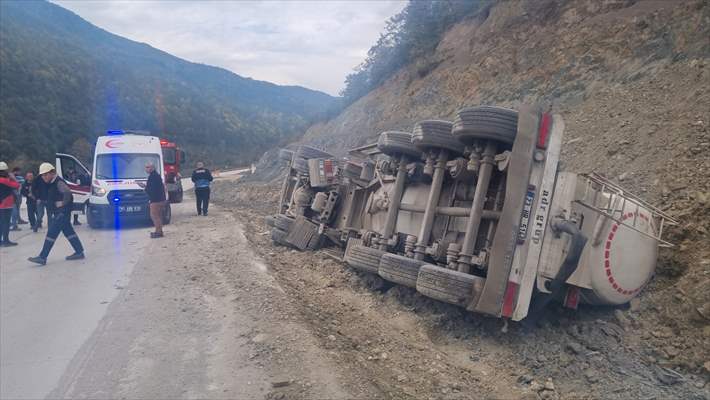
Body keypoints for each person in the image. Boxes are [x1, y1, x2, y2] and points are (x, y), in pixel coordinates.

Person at [28, 162, 85, 266]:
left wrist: (62, 203)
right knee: (69, 232)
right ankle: (79, 251)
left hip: (62, 212)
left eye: (46, 174)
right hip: (60, 212)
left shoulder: (58, 182)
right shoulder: (51, 183)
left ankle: (42, 257)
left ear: (52, 173)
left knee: (51, 233)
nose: (44, 177)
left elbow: (67, 193)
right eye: (43, 175)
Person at [140, 162, 166, 238]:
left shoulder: (153, 176)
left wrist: (145, 187)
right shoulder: (155, 176)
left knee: (154, 216)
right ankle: (159, 231)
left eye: (148, 167)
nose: (146, 169)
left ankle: (158, 232)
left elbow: (152, 189)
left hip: (156, 200)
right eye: (146, 167)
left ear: (153, 168)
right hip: (160, 199)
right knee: (158, 216)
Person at [0, 162, 21, 246]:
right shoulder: (3, 180)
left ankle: (2, 240)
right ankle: (5, 241)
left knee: (1, 223)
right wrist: (13, 178)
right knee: (6, 223)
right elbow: (17, 185)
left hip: (2, 204)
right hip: (5, 205)